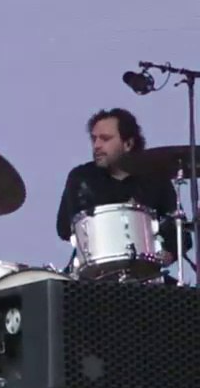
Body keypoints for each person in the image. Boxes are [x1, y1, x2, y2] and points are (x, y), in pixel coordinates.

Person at [55, 108, 190, 269]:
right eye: (94, 139)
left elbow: (181, 235)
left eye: (105, 139)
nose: (97, 145)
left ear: (128, 144)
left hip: (143, 277)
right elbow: (64, 228)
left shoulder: (155, 179)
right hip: (92, 277)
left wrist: (167, 255)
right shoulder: (81, 177)